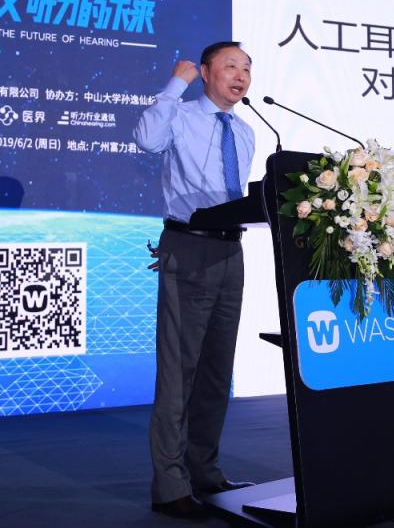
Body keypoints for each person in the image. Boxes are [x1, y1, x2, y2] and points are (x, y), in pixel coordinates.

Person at [133, 41, 256, 519]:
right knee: (179, 371)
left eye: (246, 68)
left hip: (230, 251)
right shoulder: (181, 116)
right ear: (206, 73)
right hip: (188, 248)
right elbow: (146, 140)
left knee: (216, 371)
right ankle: (170, 486)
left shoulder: (245, 130)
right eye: (231, 66)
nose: (241, 75)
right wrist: (174, 85)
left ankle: (204, 471)